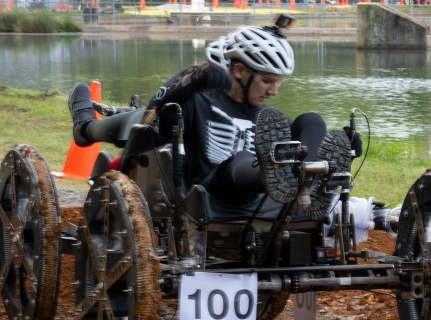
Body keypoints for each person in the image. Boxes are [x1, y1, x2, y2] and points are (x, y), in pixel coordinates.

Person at [69, 15, 362, 219]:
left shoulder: (271, 119)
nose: (273, 91)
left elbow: (294, 135)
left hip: (264, 203)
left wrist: (341, 148)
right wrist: (187, 83)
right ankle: (282, 175)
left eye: (279, 82)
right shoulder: (197, 103)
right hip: (209, 193)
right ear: (239, 71)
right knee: (239, 163)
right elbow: (151, 126)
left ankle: (313, 176)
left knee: (312, 121)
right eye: (267, 81)